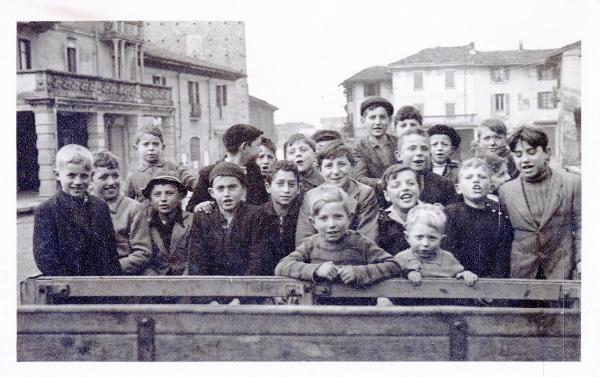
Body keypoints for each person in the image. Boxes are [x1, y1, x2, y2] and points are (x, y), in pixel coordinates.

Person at [275, 185, 400, 305]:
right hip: (319, 314)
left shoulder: (360, 242)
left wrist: (359, 272)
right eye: (324, 218)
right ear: (313, 222)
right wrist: (316, 270)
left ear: (349, 218)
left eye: (338, 217)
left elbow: (393, 265)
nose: (331, 224)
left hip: (358, 313)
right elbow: (282, 266)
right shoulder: (311, 244)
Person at [499, 126, 580, 280]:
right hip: (522, 275)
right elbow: (504, 237)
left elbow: (583, 227)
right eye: (518, 154)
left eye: (531, 152)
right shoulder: (505, 191)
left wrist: (583, 260)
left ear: (547, 153)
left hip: (561, 271)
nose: (525, 160)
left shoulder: (573, 183)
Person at [187, 162, 274, 304]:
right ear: (212, 193)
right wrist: (208, 300)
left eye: (232, 187)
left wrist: (240, 299)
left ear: (243, 190)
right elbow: (197, 262)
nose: (226, 194)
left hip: (247, 295)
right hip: (212, 296)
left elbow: (258, 261)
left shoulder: (257, 216)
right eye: (220, 188)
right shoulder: (202, 217)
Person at [33, 144, 122, 276]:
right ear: (57, 175)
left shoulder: (100, 206)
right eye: (71, 175)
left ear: (91, 175)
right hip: (66, 288)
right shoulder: (47, 210)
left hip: (100, 286)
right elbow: (45, 258)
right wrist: (75, 285)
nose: (78, 181)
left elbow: (110, 252)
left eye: (84, 176)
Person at [295, 142, 379, 245]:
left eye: (342, 164)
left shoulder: (365, 193)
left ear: (352, 166)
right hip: (319, 256)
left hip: (355, 256)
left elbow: (368, 238)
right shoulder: (310, 197)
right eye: (329, 166)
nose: (335, 171)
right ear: (320, 170)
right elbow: (304, 240)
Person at [443, 158, 513, 278]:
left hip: (492, 284)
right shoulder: (450, 214)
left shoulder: (499, 215)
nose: (476, 181)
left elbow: (503, 257)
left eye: (481, 177)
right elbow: (447, 252)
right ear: (458, 188)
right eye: (469, 177)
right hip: (459, 280)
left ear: (491, 187)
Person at [91, 150, 152, 275]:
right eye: (104, 177)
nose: (111, 182)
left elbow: (143, 253)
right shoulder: (84, 207)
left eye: (115, 175)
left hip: (123, 276)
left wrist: (112, 269)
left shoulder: (133, 209)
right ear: (91, 180)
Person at [186, 123, 269, 212]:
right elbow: (190, 208)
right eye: (258, 145)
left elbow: (264, 204)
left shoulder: (255, 171)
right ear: (244, 147)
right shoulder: (208, 173)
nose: (260, 150)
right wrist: (199, 206)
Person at [394, 203, 478, 286]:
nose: (425, 243)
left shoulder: (448, 259)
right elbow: (390, 284)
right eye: (419, 237)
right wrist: (407, 273)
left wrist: (465, 275)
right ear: (407, 237)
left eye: (432, 238)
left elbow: (459, 275)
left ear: (441, 239)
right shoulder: (400, 259)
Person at [124, 124, 197, 203]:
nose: (151, 148)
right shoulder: (133, 175)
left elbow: (195, 184)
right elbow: (126, 202)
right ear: (136, 148)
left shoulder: (173, 168)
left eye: (155, 144)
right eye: (146, 144)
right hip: (144, 214)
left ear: (163, 147)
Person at [394, 128, 460, 206]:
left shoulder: (444, 184)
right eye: (412, 148)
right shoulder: (389, 184)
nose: (419, 153)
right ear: (398, 155)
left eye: (424, 149)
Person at [143, 175, 193, 276]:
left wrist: (185, 281)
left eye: (169, 193)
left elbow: (195, 258)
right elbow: (144, 258)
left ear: (180, 196)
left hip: (186, 282)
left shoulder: (192, 220)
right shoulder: (145, 223)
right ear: (150, 199)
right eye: (157, 195)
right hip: (155, 283)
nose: (163, 199)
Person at [258, 160, 302, 272]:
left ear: (298, 188)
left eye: (291, 185)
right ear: (268, 187)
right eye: (280, 184)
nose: (286, 190)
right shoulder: (257, 215)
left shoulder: (303, 215)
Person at [353, 96, 397, 189]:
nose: (377, 122)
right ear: (363, 121)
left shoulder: (399, 143)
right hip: (375, 197)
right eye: (372, 117)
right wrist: (382, 182)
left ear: (390, 120)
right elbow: (359, 178)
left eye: (382, 117)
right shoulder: (358, 148)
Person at [377, 163, 420, 254]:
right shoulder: (381, 222)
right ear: (387, 195)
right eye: (396, 186)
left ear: (418, 188)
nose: (405, 188)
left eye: (411, 183)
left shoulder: (433, 215)